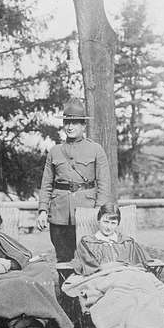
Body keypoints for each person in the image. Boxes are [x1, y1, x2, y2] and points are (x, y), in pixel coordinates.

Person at [59, 203, 164, 328]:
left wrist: (128, 268)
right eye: (106, 221)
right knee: (125, 287)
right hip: (102, 277)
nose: (108, 226)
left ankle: (139, 327)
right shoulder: (87, 242)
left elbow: (141, 262)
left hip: (129, 274)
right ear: (98, 220)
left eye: (113, 222)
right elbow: (89, 267)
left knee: (147, 284)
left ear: (118, 224)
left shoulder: (126, 242)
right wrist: (114, 266)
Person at [36, 98, 111, 262]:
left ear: (83, 126)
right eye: (67, 122)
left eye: (75, 123)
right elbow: (46, 185)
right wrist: (42, 210)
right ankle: (64, 288)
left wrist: (98, 211)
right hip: (59, 214)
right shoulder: (55, 152)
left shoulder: (96, 150)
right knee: (63, 258)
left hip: (87, 212)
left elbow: (104, 184)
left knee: (89, 257)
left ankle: (85, 288)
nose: (70, 127)